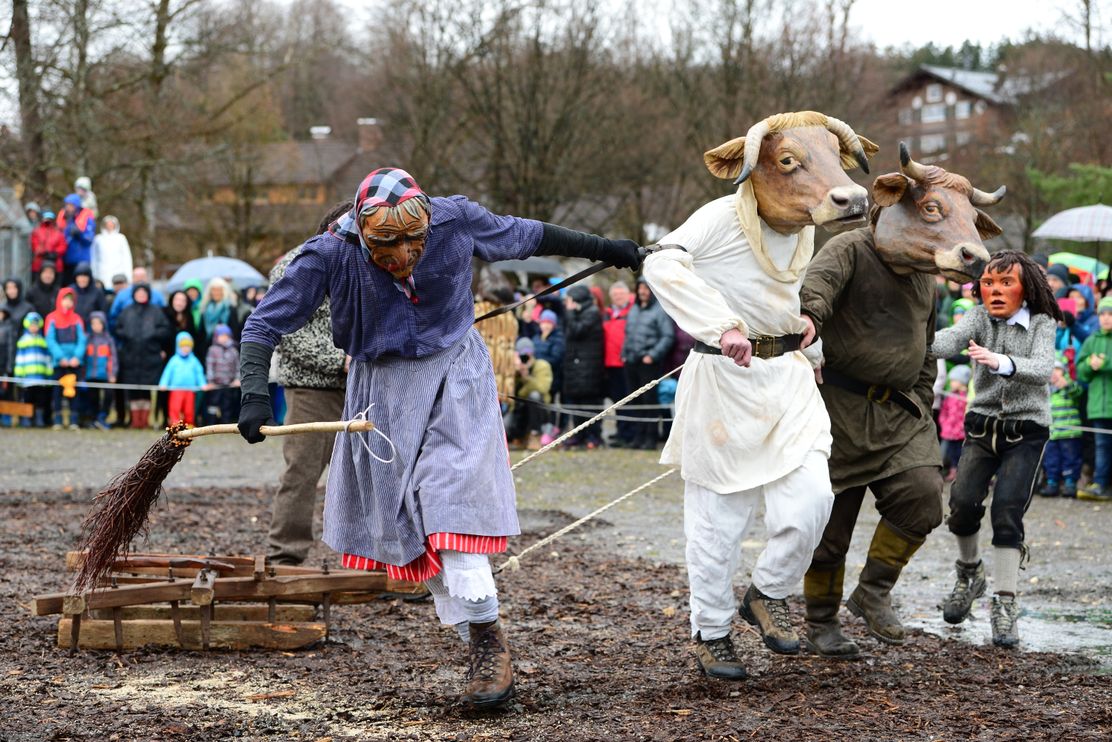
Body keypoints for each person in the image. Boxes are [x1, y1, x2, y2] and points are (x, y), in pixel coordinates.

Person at [237, 167, 641, 708]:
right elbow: (263, 324)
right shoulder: (327, 254)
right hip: (381, 391)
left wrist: (607, 248)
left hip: (457, 376)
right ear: (363, 232)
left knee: (449, 500)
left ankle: (487, 641)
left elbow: (529, 235)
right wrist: (254, 392)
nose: (404, 256)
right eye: (387, 246)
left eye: (414, 241)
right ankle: (478, 635)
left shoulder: (456, 219)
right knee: (408, 521)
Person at [932, 251, 1059, 648]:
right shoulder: (978, 318)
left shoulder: (1042, 322)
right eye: (988, 283)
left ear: (1026, 288)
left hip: (1027, 431)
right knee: (962, 504)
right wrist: (912, 340)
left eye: (1007, 283)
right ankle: (970, 573)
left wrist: (1000, 361)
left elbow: (1043, 368)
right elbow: (947, 341)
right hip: (982, 426)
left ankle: (1004, 603)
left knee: (1006, 513)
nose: (996, 290)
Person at [266, 202, 351, 566]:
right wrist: (341, 360)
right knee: (301, 472)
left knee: (376, 474)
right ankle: (285, 555)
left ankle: (379, 558)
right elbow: (288, 332)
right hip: (311, 389)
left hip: (362, 387)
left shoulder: (364, 264)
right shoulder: (294, 266)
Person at [620, 279, 674, 449]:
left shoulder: (659, 310)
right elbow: (628, 334)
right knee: (635, 401)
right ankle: (639, 436)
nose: (642, 291)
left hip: (648, 363)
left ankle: (651, 437)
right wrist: (624, 354)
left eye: (646, 288)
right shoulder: (634, 309)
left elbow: (668, 336)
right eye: (640, 288)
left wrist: (652, 355)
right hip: (631, 361)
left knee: (649, 401)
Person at [115, 283, 172, 429]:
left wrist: (153, 335)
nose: (141, 295)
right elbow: (117, 328)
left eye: (144, 293)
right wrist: (127, 334)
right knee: (133, 389)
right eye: (138, 293)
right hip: (130, 356)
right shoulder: (127, 311)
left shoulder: (156, 311)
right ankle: (135, 421)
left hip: (150, 356)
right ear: (134, 294)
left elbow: (165, 329)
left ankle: (145, 420)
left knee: (146, 389)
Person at [1076, 295, 1112, 502]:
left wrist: (1105, 364)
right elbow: (1081, 372)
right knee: (1101, 446)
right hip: (1098, 406)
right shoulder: (1091, 341)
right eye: (1102, 314)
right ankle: (1100, 483)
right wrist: (1089, 365)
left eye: (1110, 314)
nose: (1106, 318)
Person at [561, 285, 605, 448]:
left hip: (588, 366)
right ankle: (579, 434)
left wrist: (570, 313)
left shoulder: (592, 313)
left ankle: (593, 435)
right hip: (575, 365)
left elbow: (577, 331)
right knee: (576, 401)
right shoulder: (578, 313)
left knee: (590, 402)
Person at [44, 287, 86, 429]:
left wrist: (77, 357)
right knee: (57, 392)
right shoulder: (52, 318)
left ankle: (74, 420)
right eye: (65, 299)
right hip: (59, 363)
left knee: (74, 391)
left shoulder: (77, 319)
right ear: (59, 300)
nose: (68, 302)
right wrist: (60, 357)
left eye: (70, 300)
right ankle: (58, 420)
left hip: (74, 363)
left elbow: (82, 340)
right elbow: (50, 340)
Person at [1042, 358, 1083, 498]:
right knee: (1051, 459)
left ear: (1064, 372)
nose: (1054, 372)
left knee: (1070, 459)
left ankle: (1070, 484)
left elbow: (1078, 392)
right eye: (1051, 369)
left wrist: (1067, 385)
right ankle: (1052, 483)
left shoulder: (1069, 387)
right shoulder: (1045, 391)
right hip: (1052, 434)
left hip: (1069, 433)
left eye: (1058, 369)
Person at [506, 337, 553, 451]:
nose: (525, 358)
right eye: (522, 355)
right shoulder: (513, 368)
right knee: (505, 428)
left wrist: (526, 377)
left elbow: (543, 388)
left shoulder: (542, 366)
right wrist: (515, 373)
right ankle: (520, 437)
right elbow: (509, 393)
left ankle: (535, 435)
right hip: (519, 410)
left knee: (534, 395)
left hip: (539, 411)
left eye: (528, 355)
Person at [603, 281, 634, 446]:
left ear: (628, 295)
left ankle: (629, 433)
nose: (618, 297)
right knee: (617, 400)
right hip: (611, 363)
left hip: (626, 362)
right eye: (615, 295)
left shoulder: (632, 312)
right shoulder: (608, 313)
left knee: (628, 399)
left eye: (621, 294)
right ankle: (621, 430)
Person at [14, 312, 52, 427]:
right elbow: (20, 359)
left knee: (40, 399)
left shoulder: (43, 341)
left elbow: (47, 358)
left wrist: (48, 372)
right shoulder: (23, 341)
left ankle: (39, 418)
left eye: (36, 325)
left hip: (40, 377)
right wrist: (19, 374)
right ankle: (27, 418)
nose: (34, 327)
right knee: (27, 398)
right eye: (31, 325)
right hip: (27, 378)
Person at [159, 332, 206, 426]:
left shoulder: (194, 360)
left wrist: (202, 384)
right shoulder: (174, 360)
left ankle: (189, 426)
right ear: (178, 346)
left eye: (188, 346)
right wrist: (163, 383)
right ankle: (175, 427)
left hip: (190, 390)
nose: (185, 349)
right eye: (183, 346)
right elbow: (167, 373)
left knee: (189, 410)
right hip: (176, 390)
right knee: (175, 409)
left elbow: (199, 373)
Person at [81, 311, 118, 430]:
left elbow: (113, 358)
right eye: (94, 323)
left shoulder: (108, 340)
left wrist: (112, 373)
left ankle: (102, 417)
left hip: (106, 375)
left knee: (108, 396)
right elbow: (83, 357)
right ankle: (93, 418)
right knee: (92, 398)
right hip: (90, 375)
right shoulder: (87, 339)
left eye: (99, 323)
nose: (96, 326)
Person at [938, 365, 972, 482]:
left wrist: (964, 426)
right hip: (948, 431)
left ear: (962, 382)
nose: (951, 383)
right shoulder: (950, 396)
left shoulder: (966, 397)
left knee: (960, 453)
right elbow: (944, 410)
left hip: (961, 433)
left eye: (953, 380)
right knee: (950, 453)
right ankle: (952, 471)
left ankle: (960, 473)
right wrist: (944, 422)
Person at [108, 267, 166, 331]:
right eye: (137, 277)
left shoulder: (157, 295)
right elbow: (113, 317)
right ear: (132, 278)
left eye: (142, 276)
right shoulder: (122, 295)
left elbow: (164, 316)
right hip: (128, 335)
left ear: (147, 278)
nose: (140, 279)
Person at [204, 324, 240, 424]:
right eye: (221, 336)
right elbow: (210, 366)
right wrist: (210, 381)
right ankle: (211, 424)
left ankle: (226, 424)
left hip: (229, 385)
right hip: (215, 385)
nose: (224, 338)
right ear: (216, 337)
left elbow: (238, 366)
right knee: (213, 406)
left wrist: (237, 379)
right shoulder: (212, 350)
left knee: (227, 406)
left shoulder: (233, 351)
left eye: (226, 336)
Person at [57, 194, 96, 285]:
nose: (68, 208)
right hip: (66, 261)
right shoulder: (65, 218)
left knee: (81, 287)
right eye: (67, 205)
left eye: (71, 205)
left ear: (76, 206)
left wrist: (79, 234)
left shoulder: (87, 217)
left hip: (81, 261)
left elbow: (89, 240)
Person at [90, 216, 133, 289]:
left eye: (111, 224)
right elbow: (94, 257)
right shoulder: (98, 239)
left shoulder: (121, 238)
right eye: (108, 224)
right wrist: (94, 274)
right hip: (102, 273)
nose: (109, 226)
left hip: (118, 272)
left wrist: (128, 275)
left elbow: (126, 257)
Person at [198, 277, 241, 344]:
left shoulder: (230, 308)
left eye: (218, 290)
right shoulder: (205, 308)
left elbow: (235, 330)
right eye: (213, 290)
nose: (216, 293)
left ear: (224, 291)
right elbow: (201, 332)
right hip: (207, 345)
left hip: (226, 345)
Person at [68, 262, 107, 326]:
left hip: (91, 327)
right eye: (80, 276)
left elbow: (103, 312)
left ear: (89, 278)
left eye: (85, 276)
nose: (82, 279)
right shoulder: (70, 290)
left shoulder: (97, 292)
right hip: (73, 326)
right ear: (76, 278)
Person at [30, 210, 66, 275]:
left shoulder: (59, 233)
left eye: (50, 219)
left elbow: (63, 246)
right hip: (39, 264)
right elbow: (35, 245)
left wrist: (55, 253)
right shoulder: (36, 232)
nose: (48, 220)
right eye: (46, 218)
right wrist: (44, 252)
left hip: (55, 264)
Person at [0, 307, 15, 426]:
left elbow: (11, 348)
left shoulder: (9, 327)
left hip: (4, 366)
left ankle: (6, 417)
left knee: (6, 393)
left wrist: (9, 366)